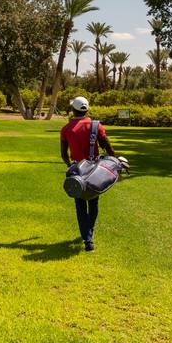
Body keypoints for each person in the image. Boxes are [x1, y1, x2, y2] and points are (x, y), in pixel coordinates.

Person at [60, 96, 117, 252]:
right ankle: (89, 235)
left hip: (77, 172)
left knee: (80, 206)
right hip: (95, 172)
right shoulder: (96, 126)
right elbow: (107, 146)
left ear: (73, 110)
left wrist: (69, 164)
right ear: (87, 109)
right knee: (93, 202)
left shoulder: (66, 129)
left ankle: (87, 238)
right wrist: (115, 160)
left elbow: (63, 154)